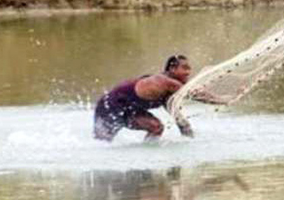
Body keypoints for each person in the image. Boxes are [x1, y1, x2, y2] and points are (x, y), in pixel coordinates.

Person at [93, 55, 224, 141]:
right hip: (109, 106)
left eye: (189, 69)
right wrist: (224, 100)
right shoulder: (164, 82)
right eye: (184, 68)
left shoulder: (168, 93)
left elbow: (181, 121)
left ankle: (145, 160)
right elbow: (194, 93)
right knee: (102, 145)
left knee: (156, 127)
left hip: (129, 108)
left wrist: (190, 144)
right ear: (172, 69)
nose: (188, 72)